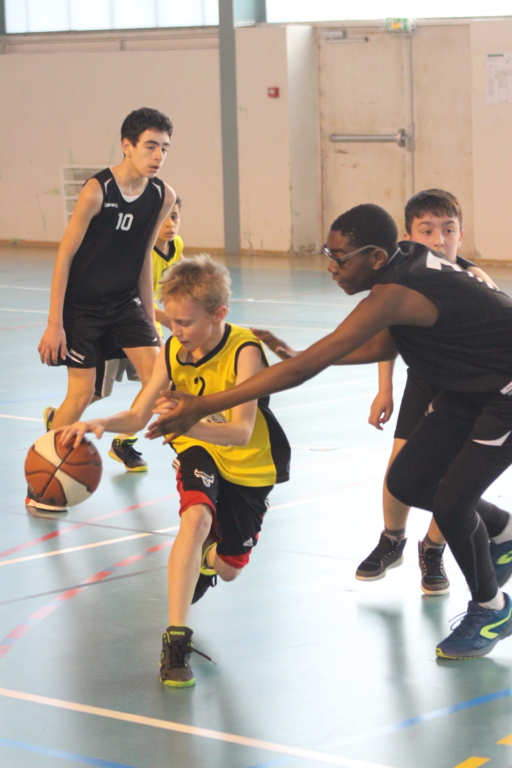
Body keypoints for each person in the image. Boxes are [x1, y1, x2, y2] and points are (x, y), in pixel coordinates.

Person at [146, 204, 512, 660]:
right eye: (328, 253)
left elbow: (303, 371)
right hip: (469, 385)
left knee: (454, 503)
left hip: (505, 392)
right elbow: (385, 341)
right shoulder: (403, 267)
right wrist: (299, 354)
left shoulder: (395, 292)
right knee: (407, 481)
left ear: (376, 257)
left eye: (341, 258)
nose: (332, 267)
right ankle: (502, 531)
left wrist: (203, 405)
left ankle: (491, 609)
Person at [59, 255, 291, 686]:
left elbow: (241, 432)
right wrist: (99, 423)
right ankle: (176, 639)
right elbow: (137, 415)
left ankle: (207, 560)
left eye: (184, 322)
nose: (175, 330)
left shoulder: (244, 352)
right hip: (199, 448)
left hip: (247, 461)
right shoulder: (172, 350)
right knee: (196, 517)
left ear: (219, 313)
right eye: (172, 320)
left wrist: (185, 422)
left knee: (230, 568)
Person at [358, 190, 502, 594]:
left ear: (461, 235)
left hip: (465, 387)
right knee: (400, 466)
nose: (439, 240)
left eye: (449, 230)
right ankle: (392, 539)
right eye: (427, 231)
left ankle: (433, 549)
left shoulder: (474, 281)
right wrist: (384, 389)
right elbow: (387, 335)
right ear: (408, 236)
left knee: (448, 474)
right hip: (424, 378)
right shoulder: (402, 277)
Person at [33, 107, 176, 509]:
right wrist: (55, 323)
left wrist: (148, 317)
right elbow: (65, 254)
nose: (158, 156)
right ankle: (45, 481)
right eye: (150, 146)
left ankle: (180, 456)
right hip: (82, 307)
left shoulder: (162, 196)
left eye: (164, 148)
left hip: (125, 304)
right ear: (127, 146)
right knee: (82, 393)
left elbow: (143, 256)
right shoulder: (98, 190)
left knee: (161, 382)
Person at [44, 196, 184, 473]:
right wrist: (163, 318)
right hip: (115, 320)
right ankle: (58, 427)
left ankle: (124, 442)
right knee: (92, 392)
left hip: (139, 321)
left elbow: (160, 293)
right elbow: (133, 294)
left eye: (175, 217)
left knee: (159, 384)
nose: (170, 224)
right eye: (164, 218)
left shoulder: (176, 246)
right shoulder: (135, 250)